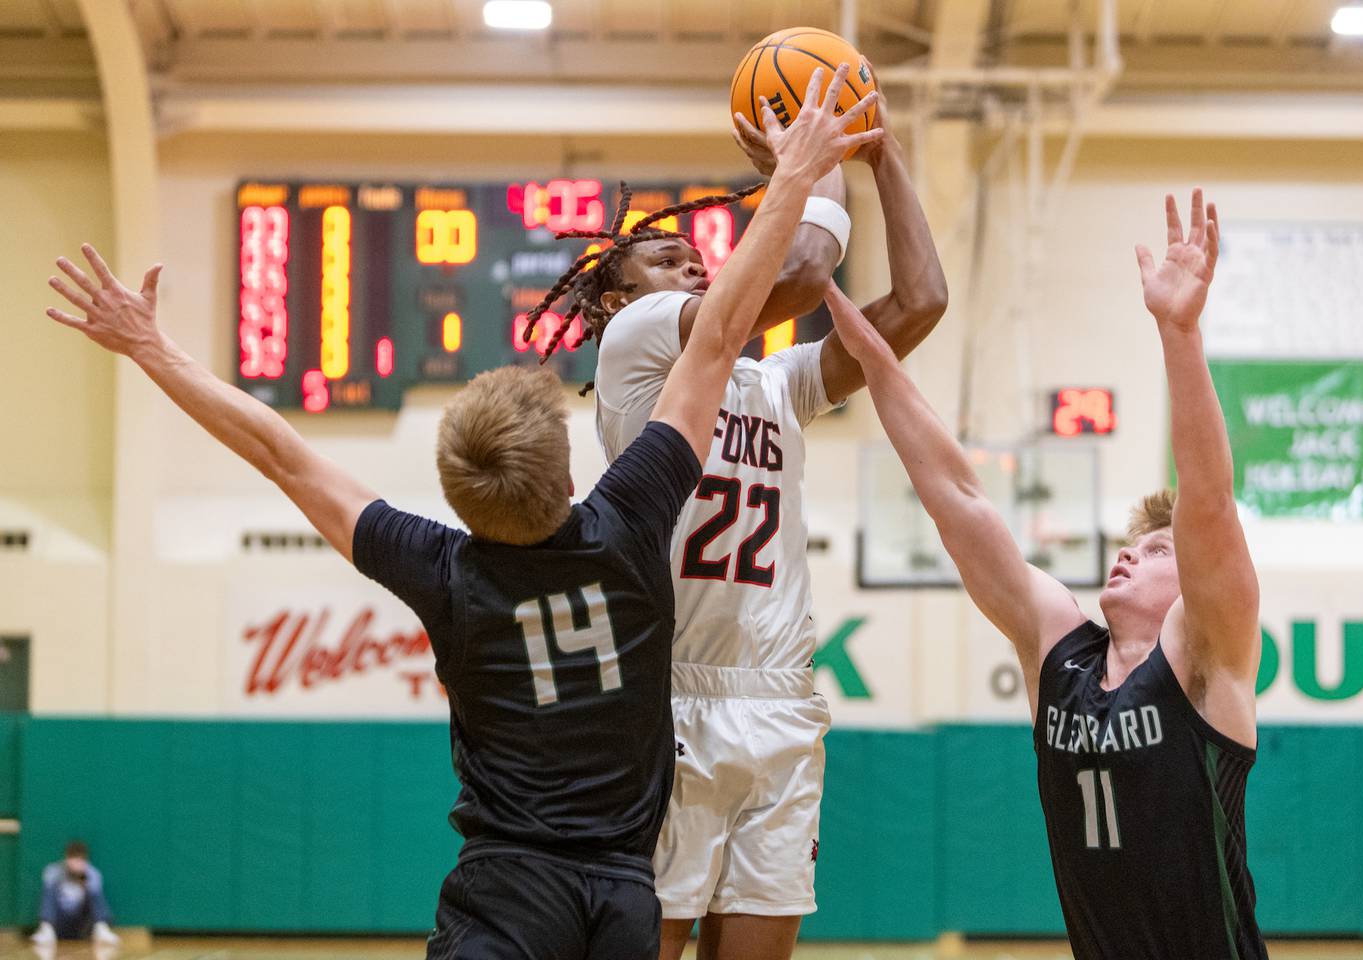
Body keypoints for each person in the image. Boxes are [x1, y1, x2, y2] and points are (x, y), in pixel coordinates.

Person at [43, 68, 877, 960]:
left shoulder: (443, 571)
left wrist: (151, 348)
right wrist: (795, 174)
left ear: (457, 498)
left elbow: (281, 454)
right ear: (569, 476)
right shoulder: (634, 524)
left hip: (507, 892)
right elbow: (719, 337)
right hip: (621, 894)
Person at [529, 62, 947, 960]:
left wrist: (886, 158)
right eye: (663, 259)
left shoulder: (771, 383)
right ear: (616, 298)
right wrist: (814, 149)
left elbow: (920, 303)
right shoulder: (636, 350)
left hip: (782, 700)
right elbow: (796, 271)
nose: (690, 258)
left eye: (695, 256)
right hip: (674, 697)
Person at [819, 189, 1267, 960]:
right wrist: (875, 361)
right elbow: (959, 502)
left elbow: (1209, 504)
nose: (1129, 553)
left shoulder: (1206, 659)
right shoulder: (1058, 652)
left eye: (1157, 552)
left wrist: (1180, 336)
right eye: (1131, 545)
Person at [30, 841, 121, 946]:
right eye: (73, 858)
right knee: (49, 890)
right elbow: (47, 894)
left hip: (81, 924)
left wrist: (84, 880)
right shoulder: (54, 870)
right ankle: (46, 930)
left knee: (94, 893)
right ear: (66, 858)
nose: (76, 863)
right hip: (59, 921)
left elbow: (97, 898)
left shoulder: (92, 873)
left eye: (80, 859)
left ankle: (101, 929)